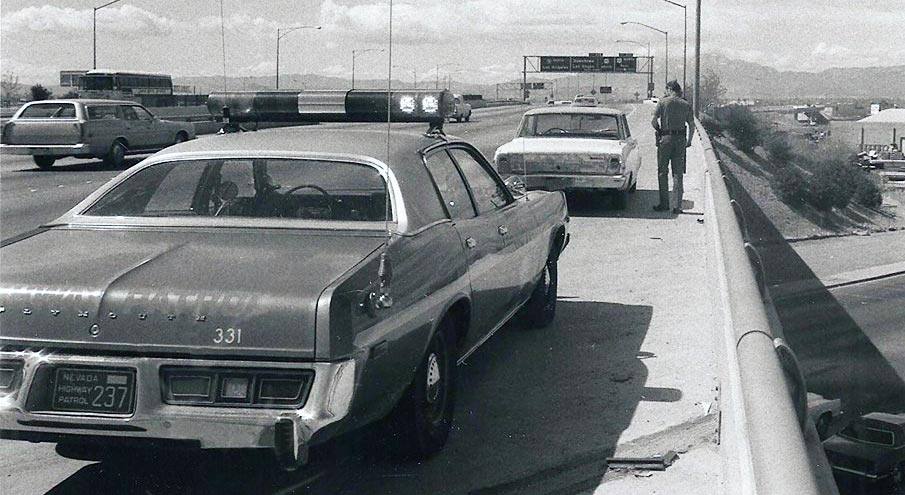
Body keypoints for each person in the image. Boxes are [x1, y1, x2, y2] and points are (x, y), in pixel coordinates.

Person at [651, 80, 695, 213]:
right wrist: (689, 140)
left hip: (665, 139)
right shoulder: (686, 104)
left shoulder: (663, 102)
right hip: (680, 140)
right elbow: (692, 125)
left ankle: (664, 204)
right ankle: (677, 206)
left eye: (666, 90)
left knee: (662, 171)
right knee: (678, 173)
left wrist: (659, 130)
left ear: (670, 89)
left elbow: (653, 121)